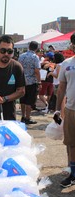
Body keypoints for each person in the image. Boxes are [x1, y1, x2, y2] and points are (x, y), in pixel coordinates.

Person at [54, 32, 75, 188]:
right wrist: (56, 109)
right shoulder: (67, 64)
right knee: (71, 144)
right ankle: (73, 174)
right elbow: (61, 88)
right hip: (71, 110)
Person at [18, 41, 42, 124]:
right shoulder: (35, 57)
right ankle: (28, 118)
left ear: (29, 47)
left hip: (22, 81)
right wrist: (39, 82)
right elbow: (36, 71)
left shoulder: (21, 56)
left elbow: (18, 68)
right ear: (36, 48)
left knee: (23, 99)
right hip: (31, 81)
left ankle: (23, 116)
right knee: (30, 100)